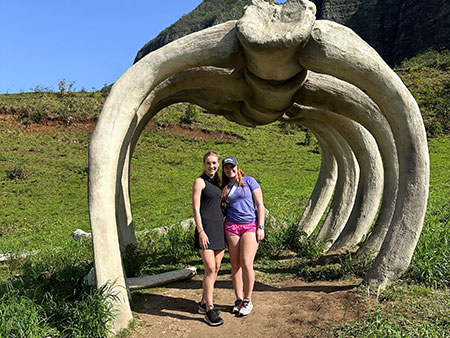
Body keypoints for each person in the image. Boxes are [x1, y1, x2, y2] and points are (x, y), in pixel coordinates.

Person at [221, 156, 265, 317]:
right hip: (232, 226)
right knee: (235, 264)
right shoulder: (224, 187)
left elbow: (260, 205)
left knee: (247, 262)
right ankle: (238, 299)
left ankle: (248, 299)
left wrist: (261, 227)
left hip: (250, 226)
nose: (229, 169)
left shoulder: (248, 181)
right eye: (226, 167)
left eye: (232, 166)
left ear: (237, 167)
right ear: (224, 170)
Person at [192, 151, 226, 326]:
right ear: (204, 164)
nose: (211, 166)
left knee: (217, 267)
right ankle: (209, 310)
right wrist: (201, 231)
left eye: (214, 163)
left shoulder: (219, 183)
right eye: (208, 163)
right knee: (210, 269)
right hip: (205, 230)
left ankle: (203, 303)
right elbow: (196, 209)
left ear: (218, 164)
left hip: (219, 229)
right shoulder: (200, 182)